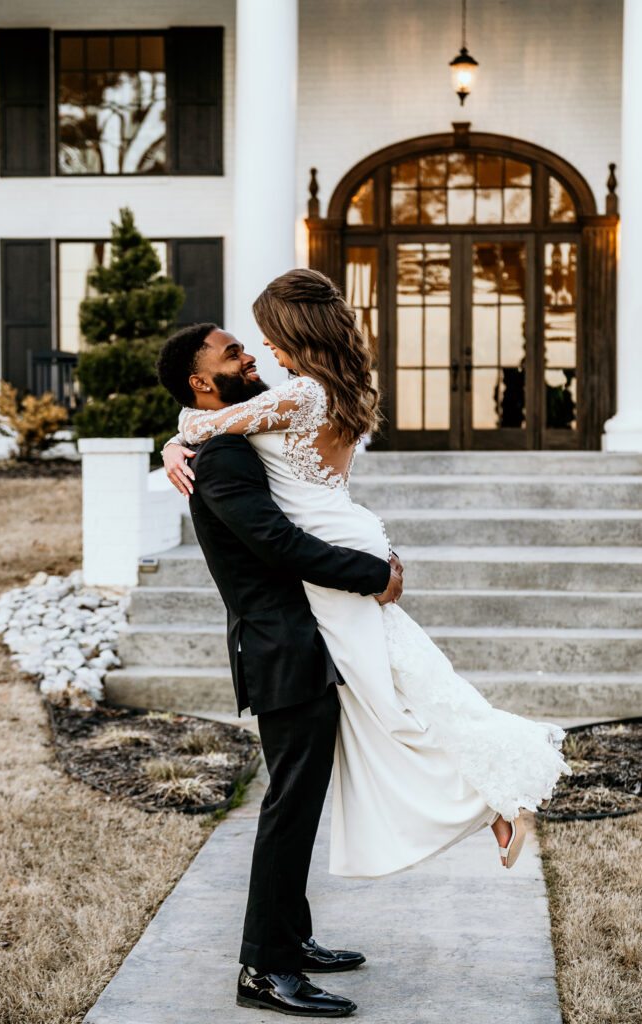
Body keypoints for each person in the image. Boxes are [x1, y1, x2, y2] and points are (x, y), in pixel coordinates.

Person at [161, 270, 571, 891]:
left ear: (296, 332)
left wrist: (172, 440)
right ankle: (494, 795)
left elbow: (203, 427)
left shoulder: (300, 395)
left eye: (267, 336)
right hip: (348, 537)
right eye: (243, 346)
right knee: (405, 682)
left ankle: (496, 794)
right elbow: (220, 426)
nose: (261, 350)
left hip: (336, 554)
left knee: (391, 701)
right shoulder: (329, 388)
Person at [156, 322, 403, 1018]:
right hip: (280, 644)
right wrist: (370, 574)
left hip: (298, 639)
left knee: (298, 804)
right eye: (232, 352)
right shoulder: (225, 454)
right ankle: (263, 969)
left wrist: (175, 437)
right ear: (203, 382)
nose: (249, 356)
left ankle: (290, 939)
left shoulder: (220, 436)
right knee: (288, 810)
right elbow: (274, 541)